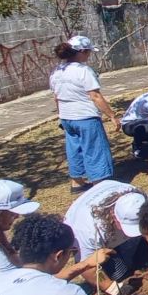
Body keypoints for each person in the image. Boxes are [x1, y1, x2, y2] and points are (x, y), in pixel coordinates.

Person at [50, 36, 118, 194]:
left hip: (67, 118)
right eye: (88, 52)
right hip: (85, 117)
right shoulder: (83, 71)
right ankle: (100, 186)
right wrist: (112, 115)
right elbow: (95, 96)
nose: (89, 55)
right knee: (94, 149)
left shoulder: (57, 71)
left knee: (74, 149)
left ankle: (77, 183)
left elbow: (56, 97)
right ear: (81, 52)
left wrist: (61, 116)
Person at [64, 180, 148, 295]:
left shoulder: (139, 200)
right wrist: (114, 289)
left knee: (143, 258)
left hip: (109, 190)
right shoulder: (88, 230)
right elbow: (86, 266)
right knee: (119, 275)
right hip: (102, 243)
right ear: (114, 216)